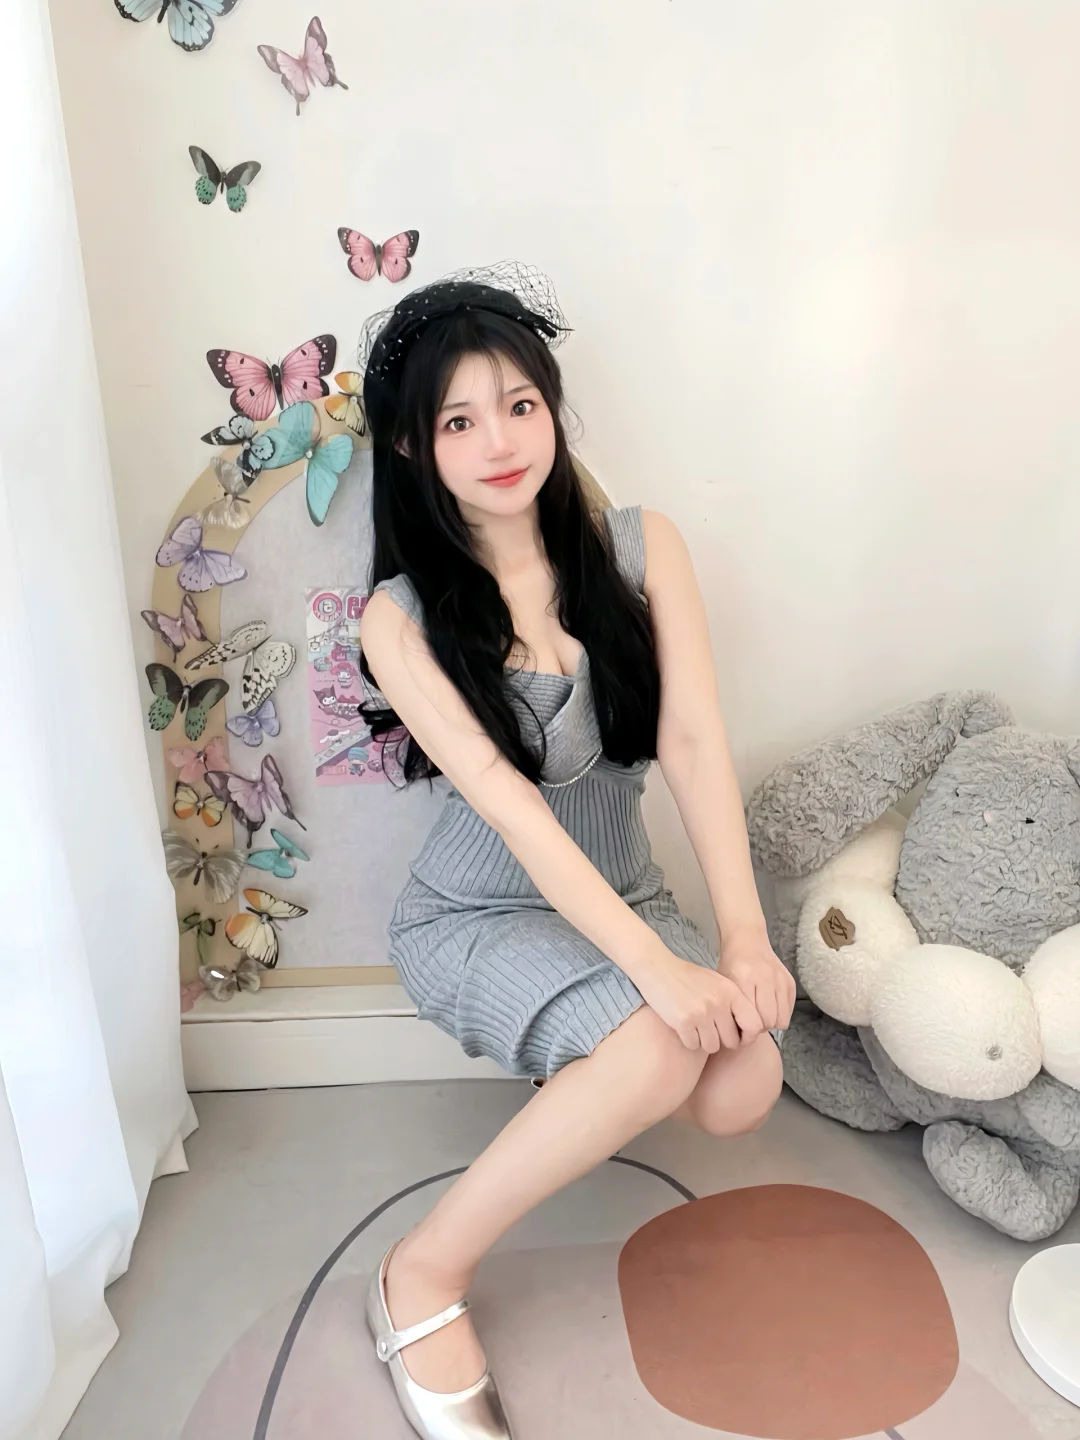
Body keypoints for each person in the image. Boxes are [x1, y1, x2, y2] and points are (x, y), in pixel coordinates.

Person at [356, 263, 794, 1440]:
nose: (500, 441)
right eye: (459, 421)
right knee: (658, 1044)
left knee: (744, 1083)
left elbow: (693, 743)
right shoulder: (401, 617)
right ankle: (419, 1274)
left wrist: (742, 939)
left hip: (625, 891)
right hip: (478, 913)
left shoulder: (644, 548)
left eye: (519, 405)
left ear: (552, 408)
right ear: (412, 446)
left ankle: (598, 1053)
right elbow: (515, 810)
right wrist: (657, 979)